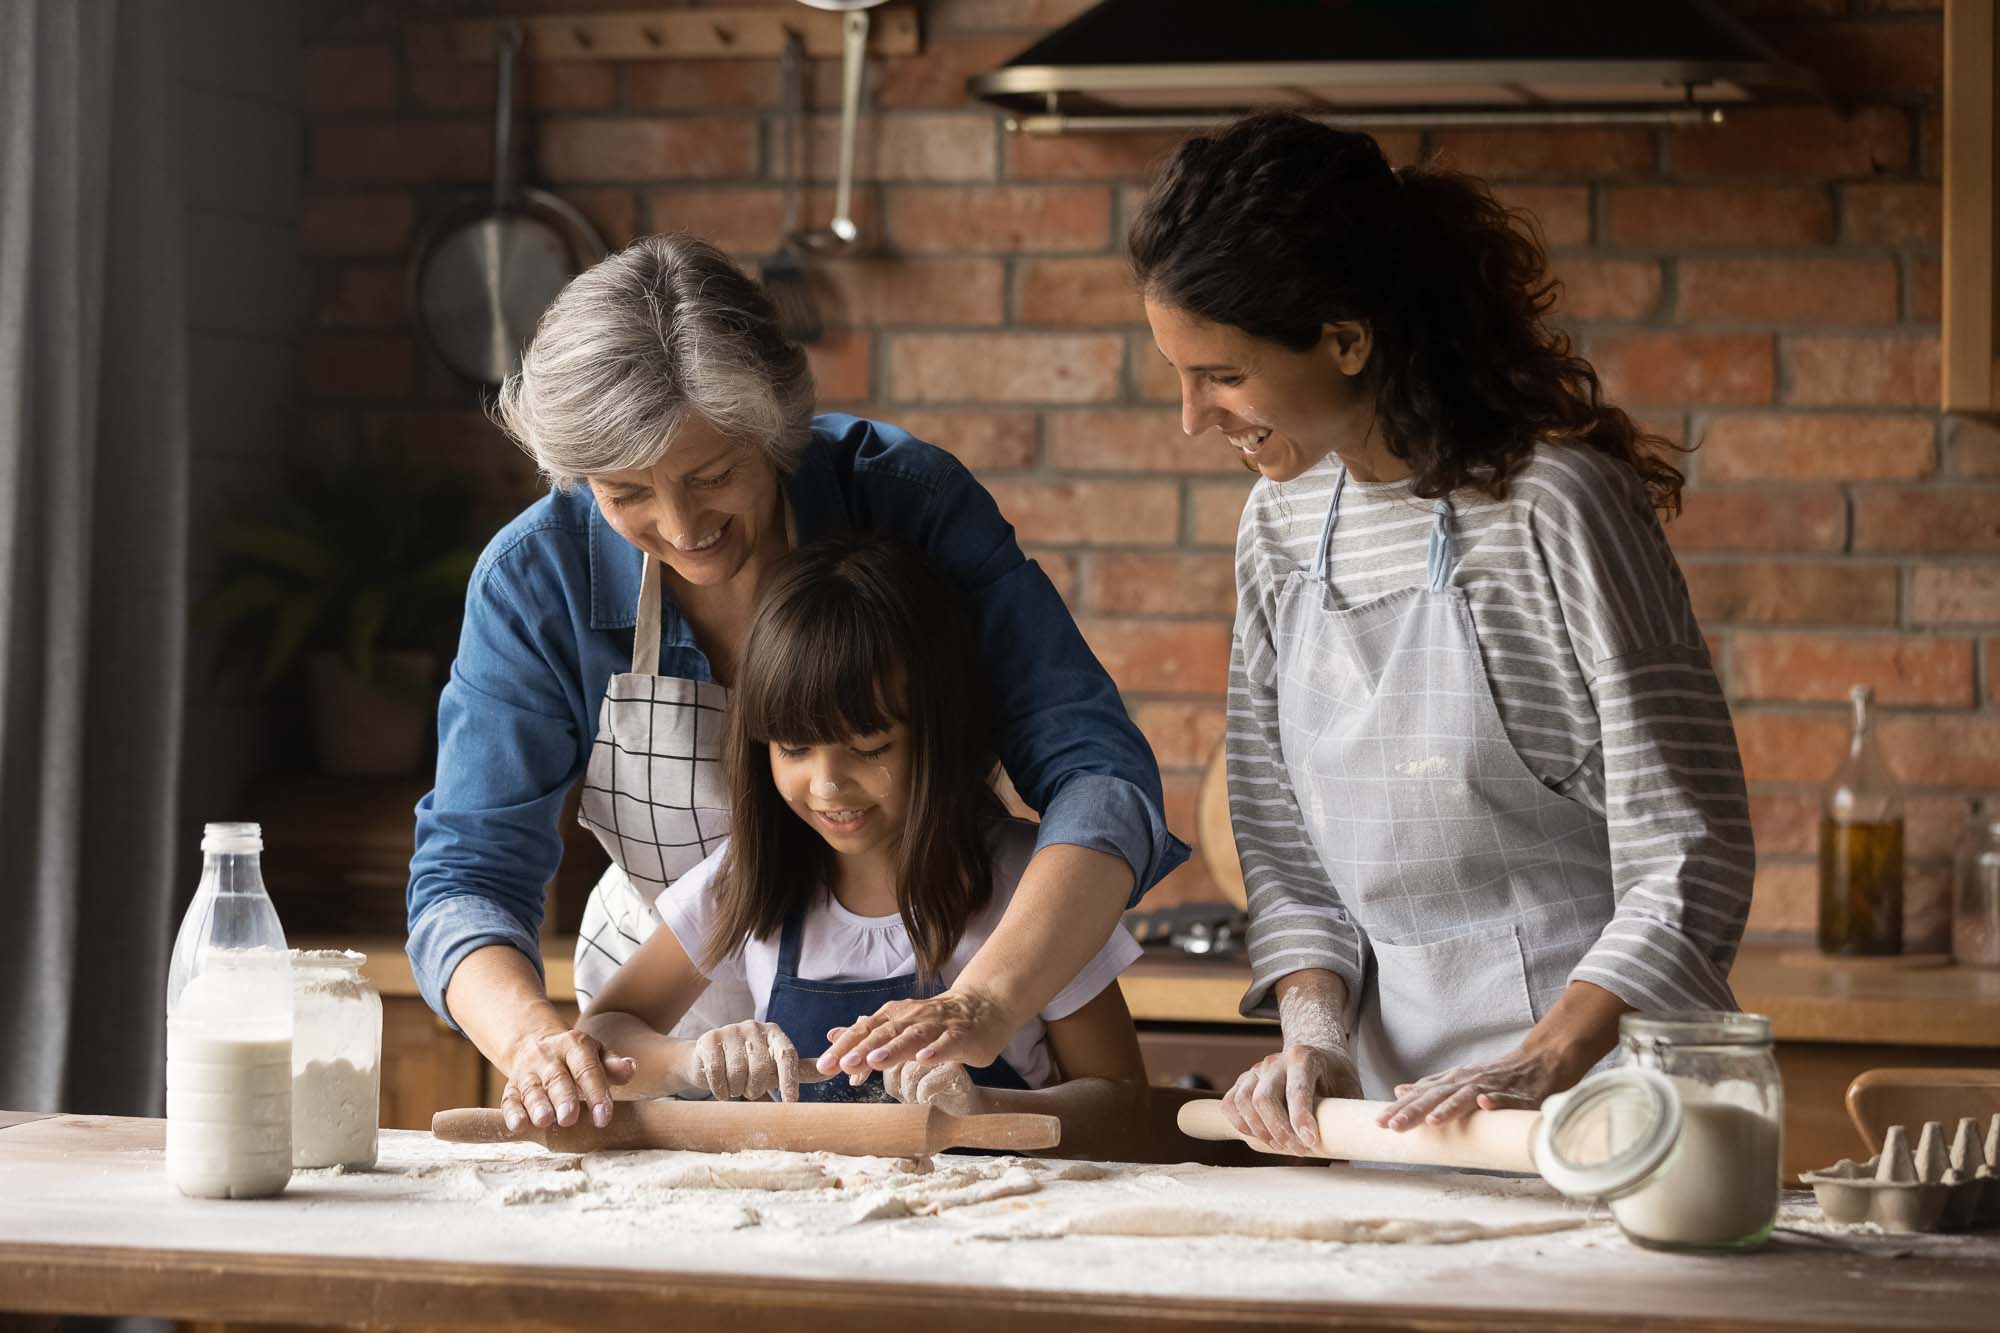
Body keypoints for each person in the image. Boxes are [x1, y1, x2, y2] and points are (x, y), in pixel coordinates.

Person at [408, 235, 1185, 1133]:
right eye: (626, 495)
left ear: (774, 427)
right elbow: (466, 872)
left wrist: (984, 1003)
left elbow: (1100, 779)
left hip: (959, 997)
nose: (683, 525)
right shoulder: (534, 579)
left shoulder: (907, 503)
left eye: (713, 475)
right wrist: (540, 1045)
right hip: (657, 1046)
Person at [1126, 112, 1752, 1153]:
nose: (1193, 417)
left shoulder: (1555, 508)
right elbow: (1281, 846)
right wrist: (1314, 1034)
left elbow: (1687, 852)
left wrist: (1543, 1063)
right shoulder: (1279, 525)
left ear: (1344, 339)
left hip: (1599, 1109)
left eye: (1221, 375)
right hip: (1387, 1120)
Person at [560, 538, 1148, 1158]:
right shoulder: (748, 881)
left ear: (938, 733)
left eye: (868, 748)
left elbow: (1122, 1106)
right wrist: (691, 1062)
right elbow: (604, 1032)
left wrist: (984, 1109)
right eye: (793, 748)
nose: (828, 785)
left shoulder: (1037, 887)